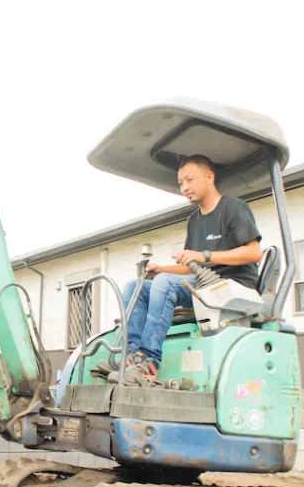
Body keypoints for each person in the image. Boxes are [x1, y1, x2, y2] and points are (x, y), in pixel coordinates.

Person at [105, 154, 263, 387]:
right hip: (201, 286)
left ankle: (149, 360)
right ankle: (131, 358)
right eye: (181, 183)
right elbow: (188, 266)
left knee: (165, 283)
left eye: (189, 180)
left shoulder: (233, 208)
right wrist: (161, 269)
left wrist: (205, 256)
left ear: (209, 177)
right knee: (135, 287)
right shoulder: (194, 220)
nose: (184, 188)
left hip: (231, 287)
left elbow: (254, 252)